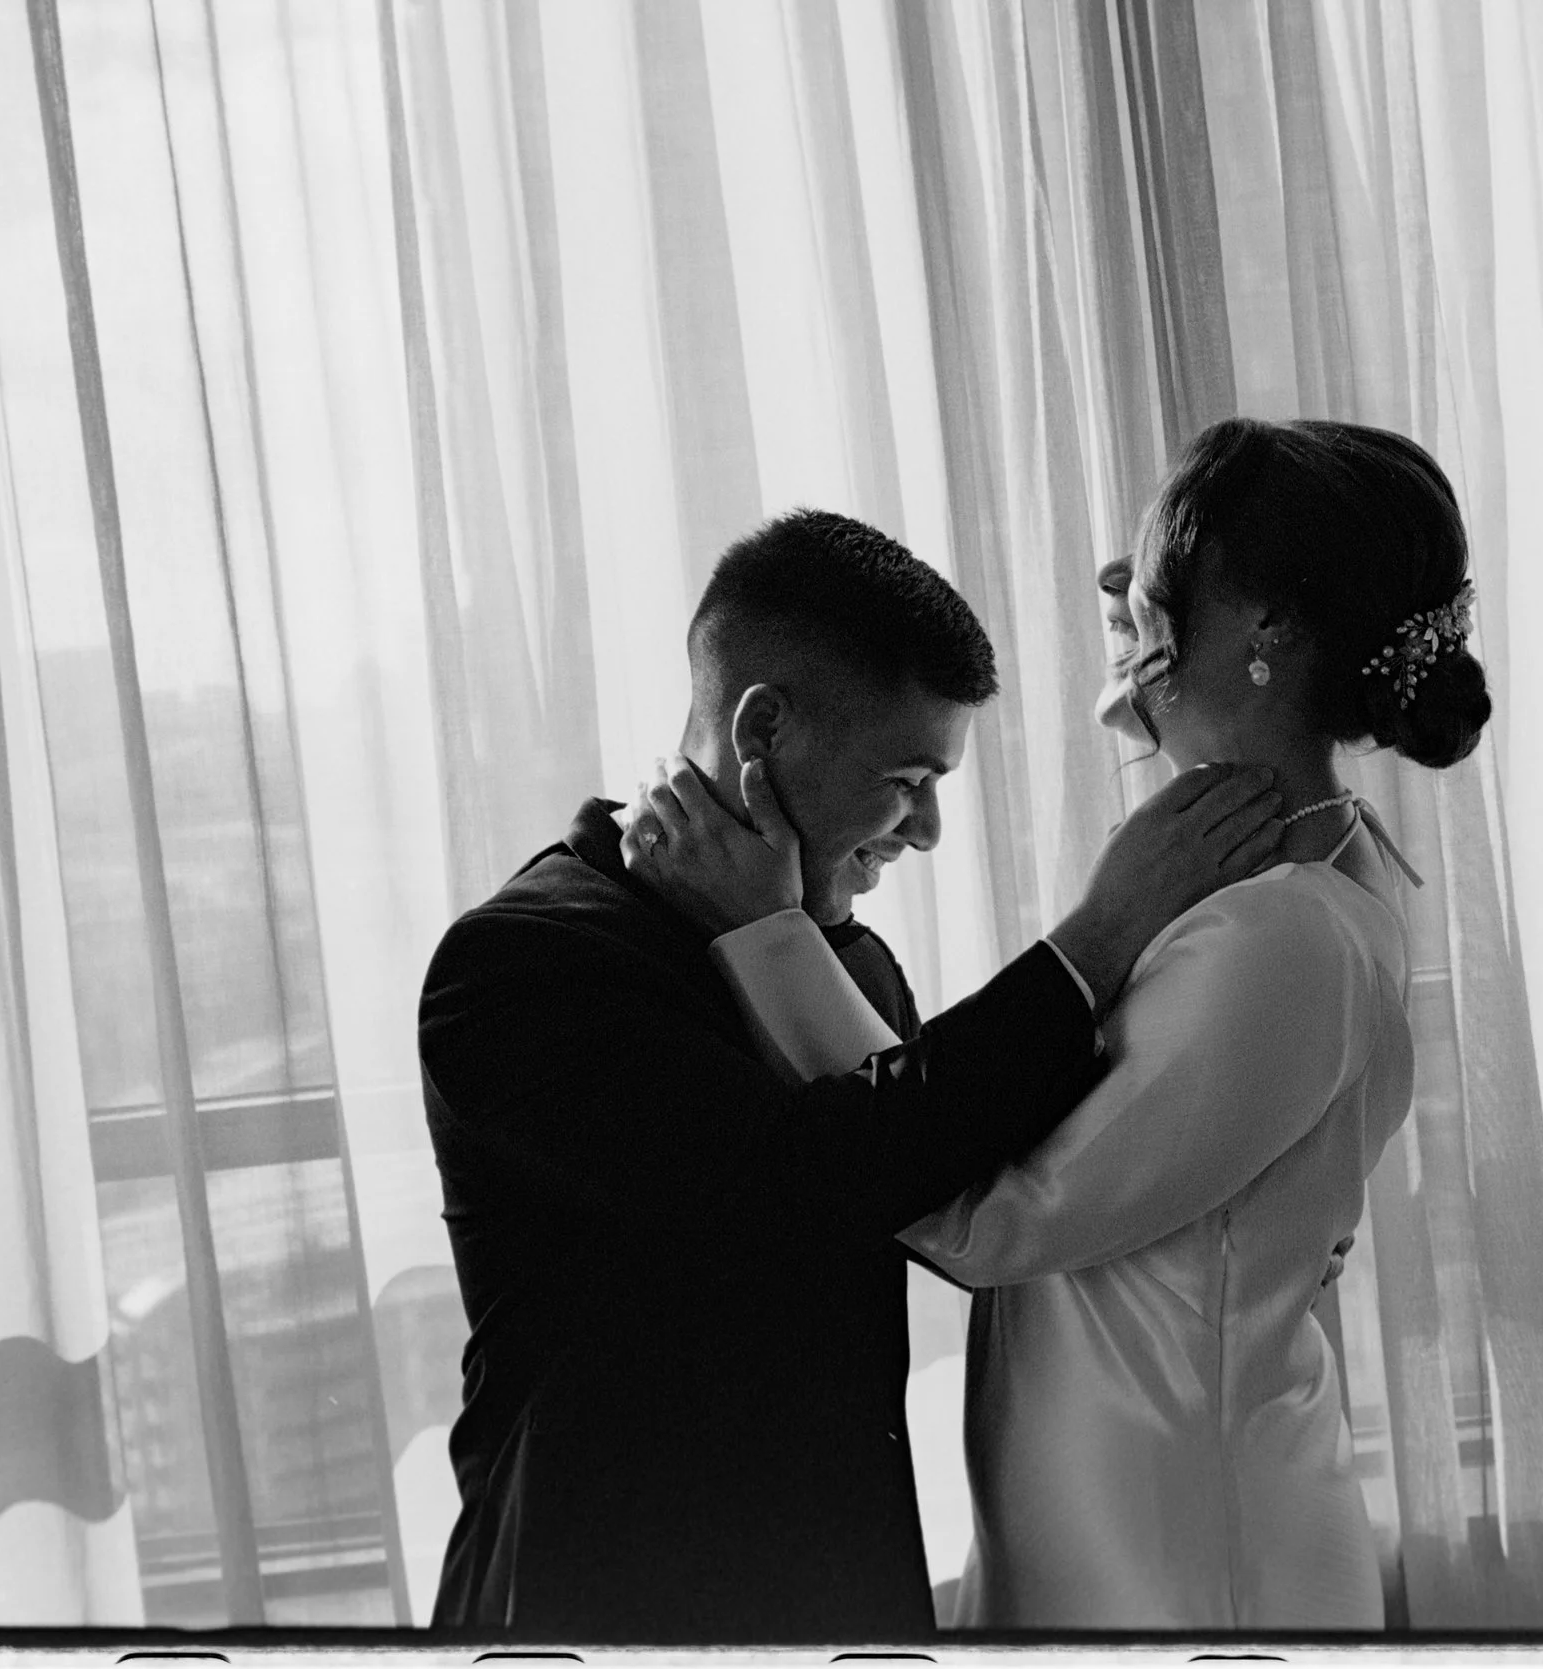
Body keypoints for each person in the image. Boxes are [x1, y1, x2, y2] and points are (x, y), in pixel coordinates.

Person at [628, 419, 1491, 1630]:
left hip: (1182, 1552)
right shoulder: (1288, 877)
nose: (1130, 608)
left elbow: (993, 1213)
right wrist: (1164, 670)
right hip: (1127, 1502)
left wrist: (765, 934)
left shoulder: (1282, 934)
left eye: (1154, 585)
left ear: (1265, 631)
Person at [417, 509, 1287, 1641]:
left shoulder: (849, 958)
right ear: (763, 727)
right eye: (906, 776)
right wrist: (1099, 934)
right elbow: (809, 1184)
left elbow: (975, 1180)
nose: (923, 829)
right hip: (596, 1604)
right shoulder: (523, 964)